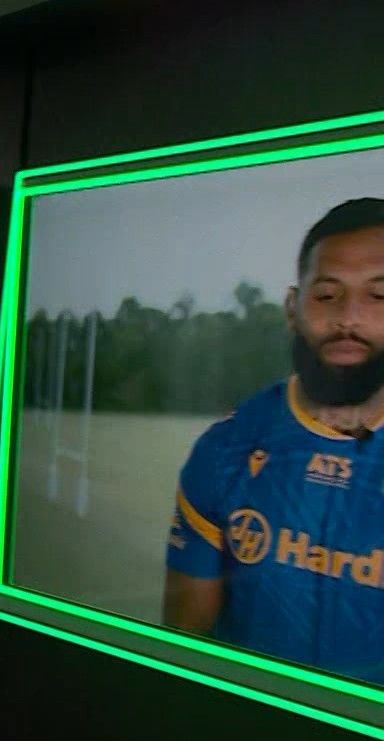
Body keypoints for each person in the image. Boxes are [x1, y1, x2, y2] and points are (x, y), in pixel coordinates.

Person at [164, 197, 384, 682]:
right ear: (292, 309)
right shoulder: (225, 450)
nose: (349, 318)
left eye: (379, 296)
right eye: (327, 295)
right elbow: (183, 647)